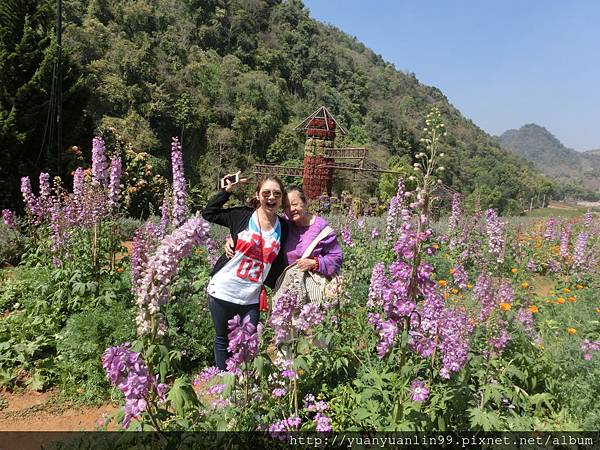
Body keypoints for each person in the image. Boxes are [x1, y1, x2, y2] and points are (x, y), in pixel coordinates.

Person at [202, 173, 289, 370]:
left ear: (282, 198)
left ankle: (244, 388)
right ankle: (224, 386)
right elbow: (209, 213)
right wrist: (226, 191)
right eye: (266, 192)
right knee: (223, 340)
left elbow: (299, 242)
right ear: (258, 195)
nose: (271, 197)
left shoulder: (283, 226)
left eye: (276, 193)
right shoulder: (242, 216)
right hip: (223, 290)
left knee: (249, 344)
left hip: (250, 298)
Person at [226, 185, 342, 280]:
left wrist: (314, 263)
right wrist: (233, 238)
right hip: (286, 284)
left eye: (295, 204)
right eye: (286, 207)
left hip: (312, 286)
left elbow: (336, 257)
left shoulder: (321, 229)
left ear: (305, 202)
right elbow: (259, 231)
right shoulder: (283, 224)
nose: (291, 209)